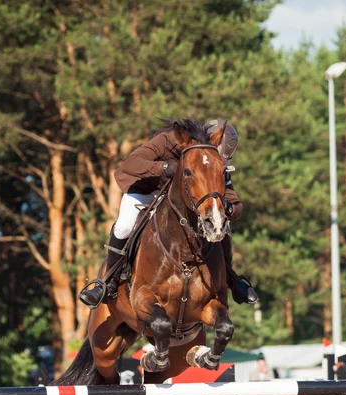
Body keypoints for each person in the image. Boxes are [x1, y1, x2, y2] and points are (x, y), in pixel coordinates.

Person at [80, 118, 258, 307]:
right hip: (146, 192)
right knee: (124, 226)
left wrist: (229, 209)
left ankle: (231, 279)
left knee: (221, 224)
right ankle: (107, 283)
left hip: (178, 201)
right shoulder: (168, 140)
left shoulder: (212, 163)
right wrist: (166, 168)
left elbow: (233, 199)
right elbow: (129, 164)